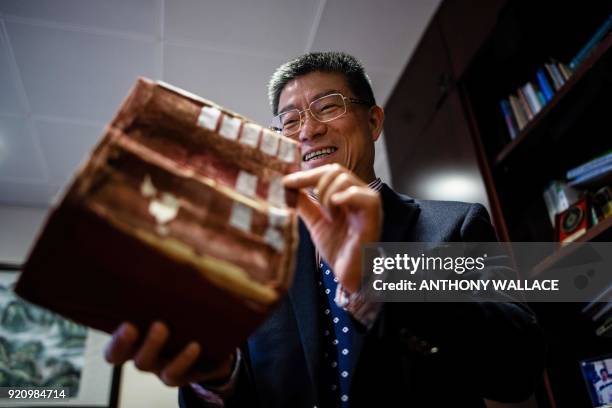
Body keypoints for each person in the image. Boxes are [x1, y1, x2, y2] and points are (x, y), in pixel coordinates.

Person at [105, 52, 545, 407]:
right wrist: (216, 381)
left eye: (327, 107)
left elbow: (518, 368)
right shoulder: (256, 255)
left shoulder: (454, 223)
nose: (308, 131)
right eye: (290, 121)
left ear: (373, 122)